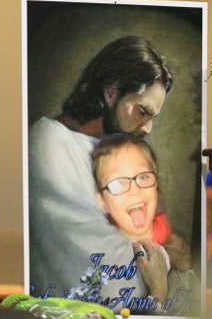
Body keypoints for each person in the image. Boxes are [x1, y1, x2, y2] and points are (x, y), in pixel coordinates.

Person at [28, 35, 175, 310]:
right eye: (143, 112)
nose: (147, 128)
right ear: (111, 92)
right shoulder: (49, 143)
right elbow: (104, 270)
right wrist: (164, 261)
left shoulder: (117, 153)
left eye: (153, 117)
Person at [92, 133, 200, 316]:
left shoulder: (176, 253)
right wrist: (158, 292)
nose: (135, 191)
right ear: (102, 201)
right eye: (118, 183)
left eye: (143, 177)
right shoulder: (102, 262)